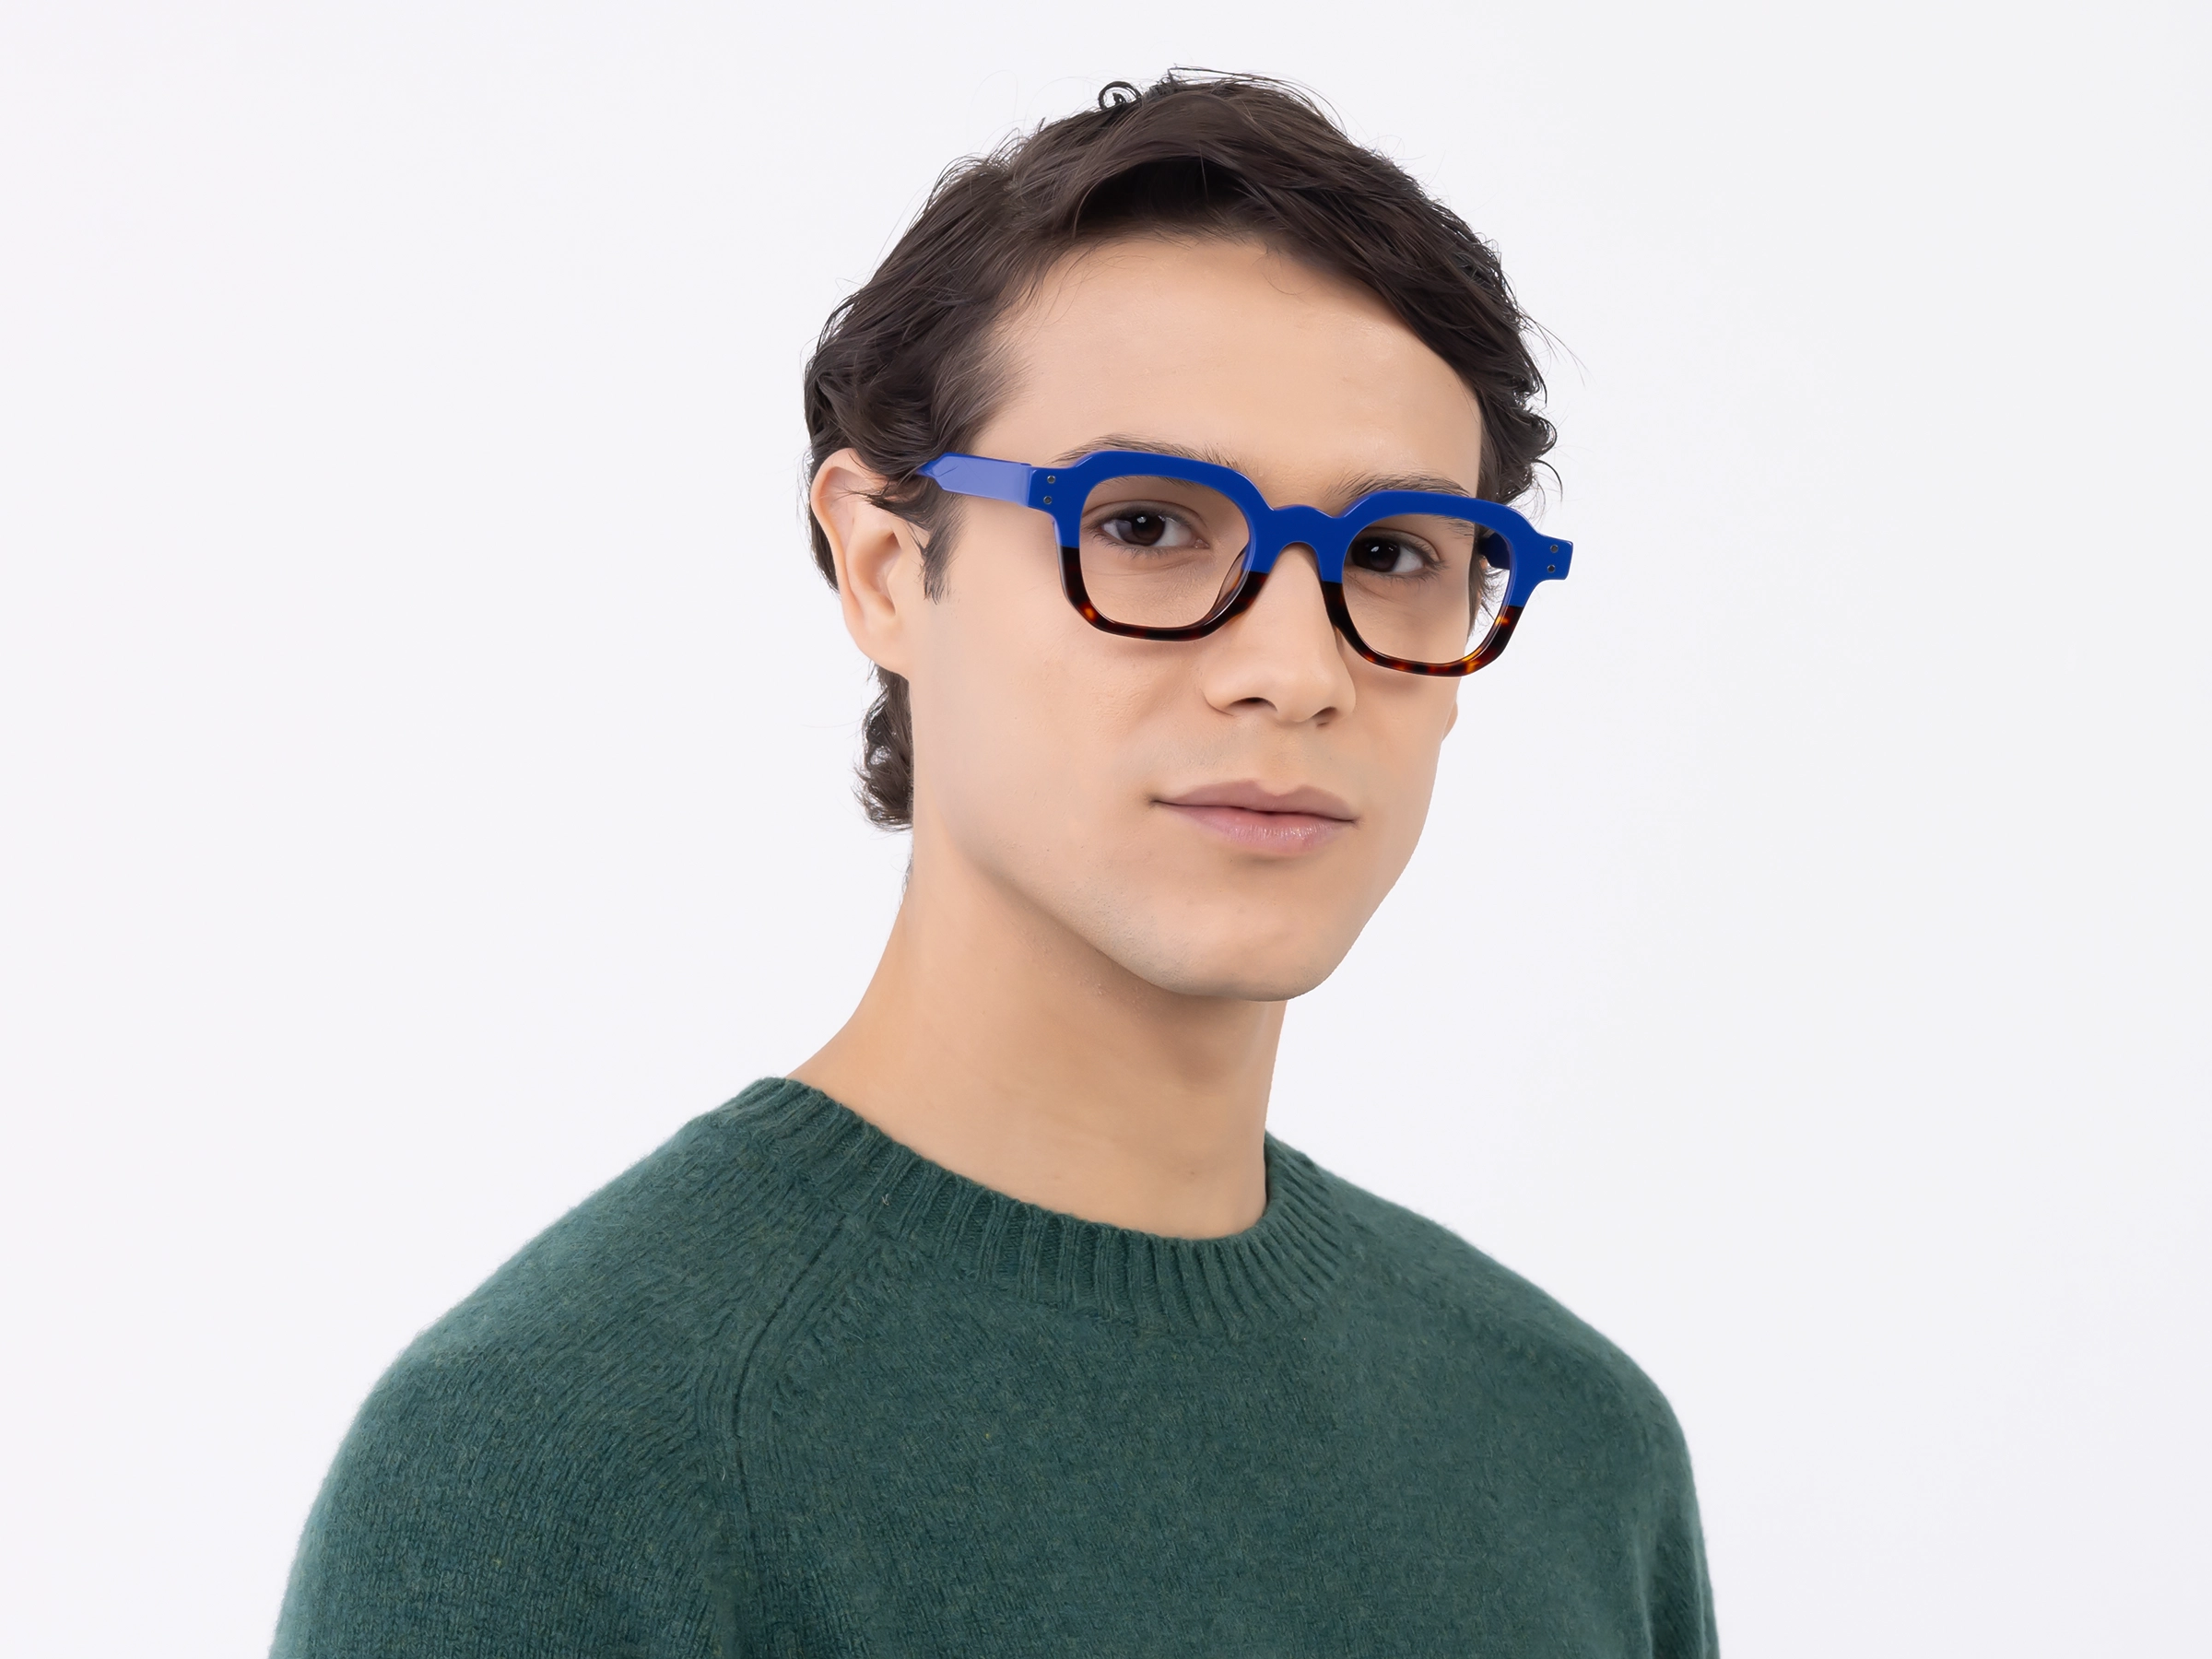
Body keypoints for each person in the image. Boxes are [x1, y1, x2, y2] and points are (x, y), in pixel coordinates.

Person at [273, 73, 1716, 1657]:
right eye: (1147, 525)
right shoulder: (560, 1467)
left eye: (1390, 555)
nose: (1297, 669)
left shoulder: (1575, 1451)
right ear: (887, 566)